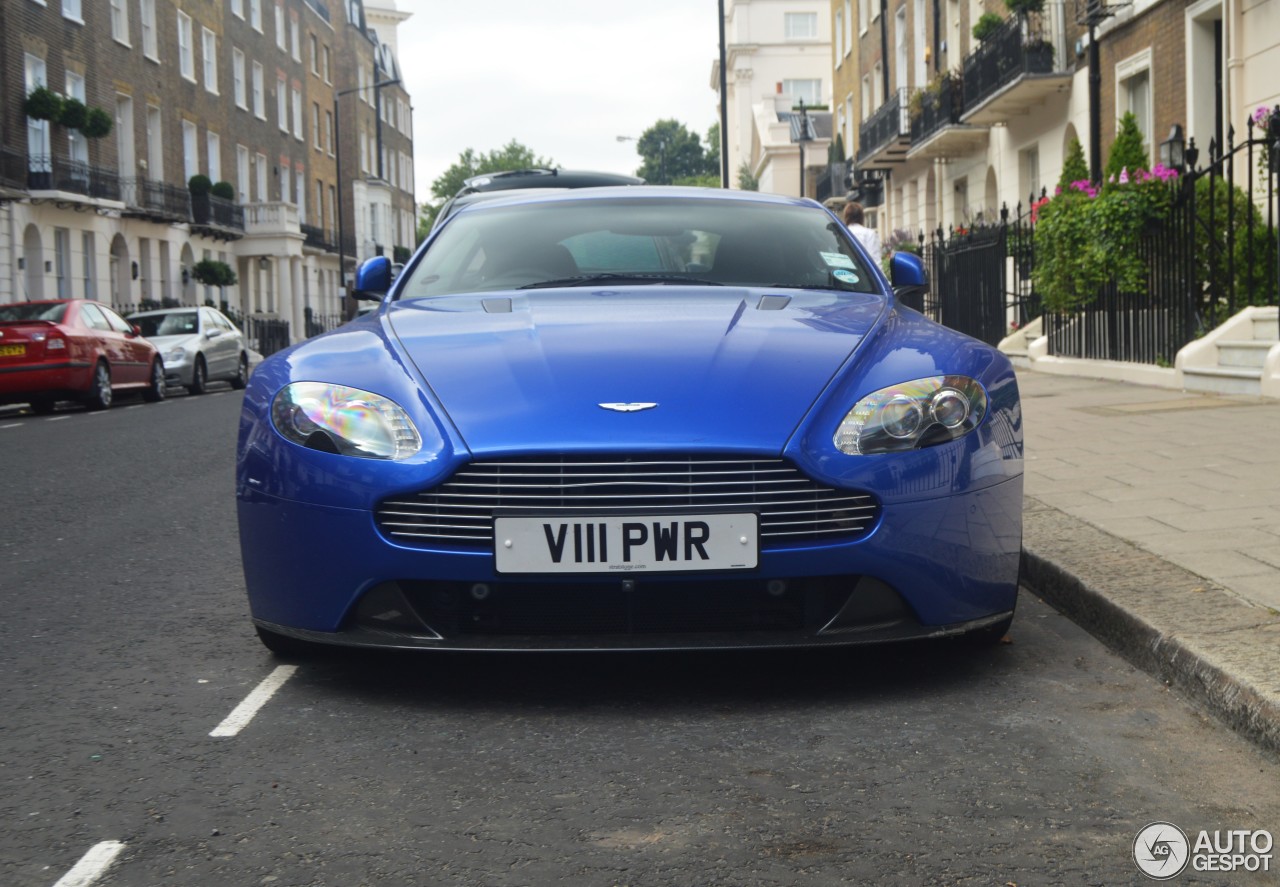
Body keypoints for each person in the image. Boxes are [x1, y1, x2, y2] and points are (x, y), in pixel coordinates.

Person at [842, 201, 883, 266]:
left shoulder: (841, 234)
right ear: (861, 217)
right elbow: (876, 262)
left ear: (846, 217)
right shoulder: (870, 234)